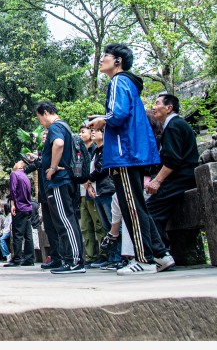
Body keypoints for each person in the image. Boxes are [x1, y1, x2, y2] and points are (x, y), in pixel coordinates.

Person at [86, 43, 175, 275]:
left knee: (131, 207)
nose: (101, 60)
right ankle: (160, 254)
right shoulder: (128, 83)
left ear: (118, 61)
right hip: (130, 151)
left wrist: (102, 120)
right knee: (136, 205)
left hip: (124, 152)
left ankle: (144, 260)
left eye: (106, 56)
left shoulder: (118, 81)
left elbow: (118, 115)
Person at [36, 101, 86, 274]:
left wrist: (52, 167)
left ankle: (75, 261)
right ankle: (71, 259)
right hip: (64, 180)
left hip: (59, 181)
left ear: (46, 113)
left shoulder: (56, 127)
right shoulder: (64, 126)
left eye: (40, 118)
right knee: (67, 220)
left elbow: (58, 144)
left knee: (65, 221)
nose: (41, 122)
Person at [145, 93, 200, 247]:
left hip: (180, 178)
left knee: (150, 211)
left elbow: (173, 160)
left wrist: (157, 181)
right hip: (180, 177)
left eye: (157, 103)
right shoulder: (174, 125)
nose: (153, 107)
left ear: (169, 108)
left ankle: (160, 251)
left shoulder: (174, 126)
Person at [86, 127, 118, 268]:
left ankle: (118, 257)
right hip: (98, 191)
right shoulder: (96, 151)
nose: (93, 132)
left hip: (108, 189)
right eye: (92, 130)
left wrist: (87, 179)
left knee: (114, 224)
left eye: (97, 130)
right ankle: (112, 257)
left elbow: (101, 169)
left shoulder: (106, 149)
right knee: (107, 226)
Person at [78, 125, 106, 265]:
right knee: (85, 226)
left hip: (94, 190)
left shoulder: (97, 149)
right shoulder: (80, 151)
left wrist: (88, 183)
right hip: (82, 193)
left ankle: (104, 254)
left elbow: (98, 170)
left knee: (99, 224)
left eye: (83, 132)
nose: (80, 134)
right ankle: (90, 256)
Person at [5, 160, 36, 267]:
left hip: (20, 206)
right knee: (28, 235)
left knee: (17, 234)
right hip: (28, 207)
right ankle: (29, 258)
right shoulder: (25, 176)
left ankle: (17, 259)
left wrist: (12, 204)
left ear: (20, 166)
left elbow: (13, 190)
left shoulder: (15, 174)